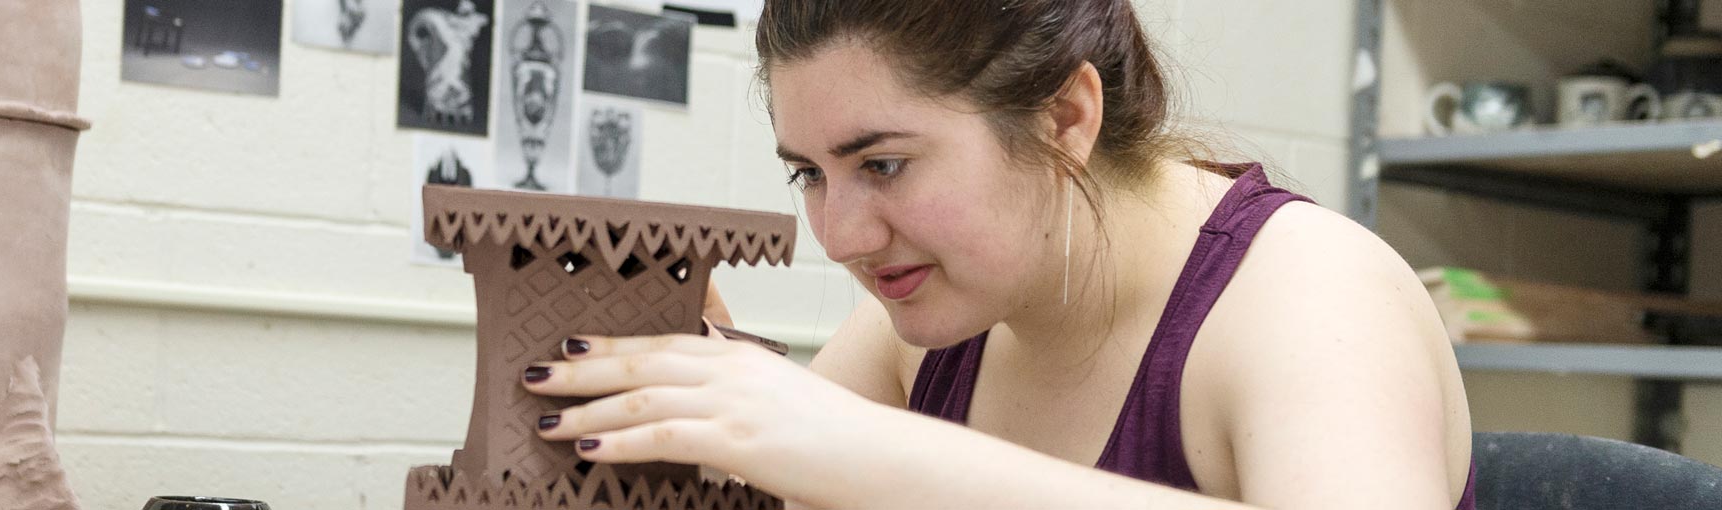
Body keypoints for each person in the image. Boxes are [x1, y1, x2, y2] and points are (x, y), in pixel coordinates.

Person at [520, 0, 1477, 508]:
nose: (843, 236)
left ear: (1065, 115)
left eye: (884, 164)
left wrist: (872, 453)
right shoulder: (931, 321)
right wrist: (680, 428)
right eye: (806, 175)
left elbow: (858, 460)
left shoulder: (1307, 296)